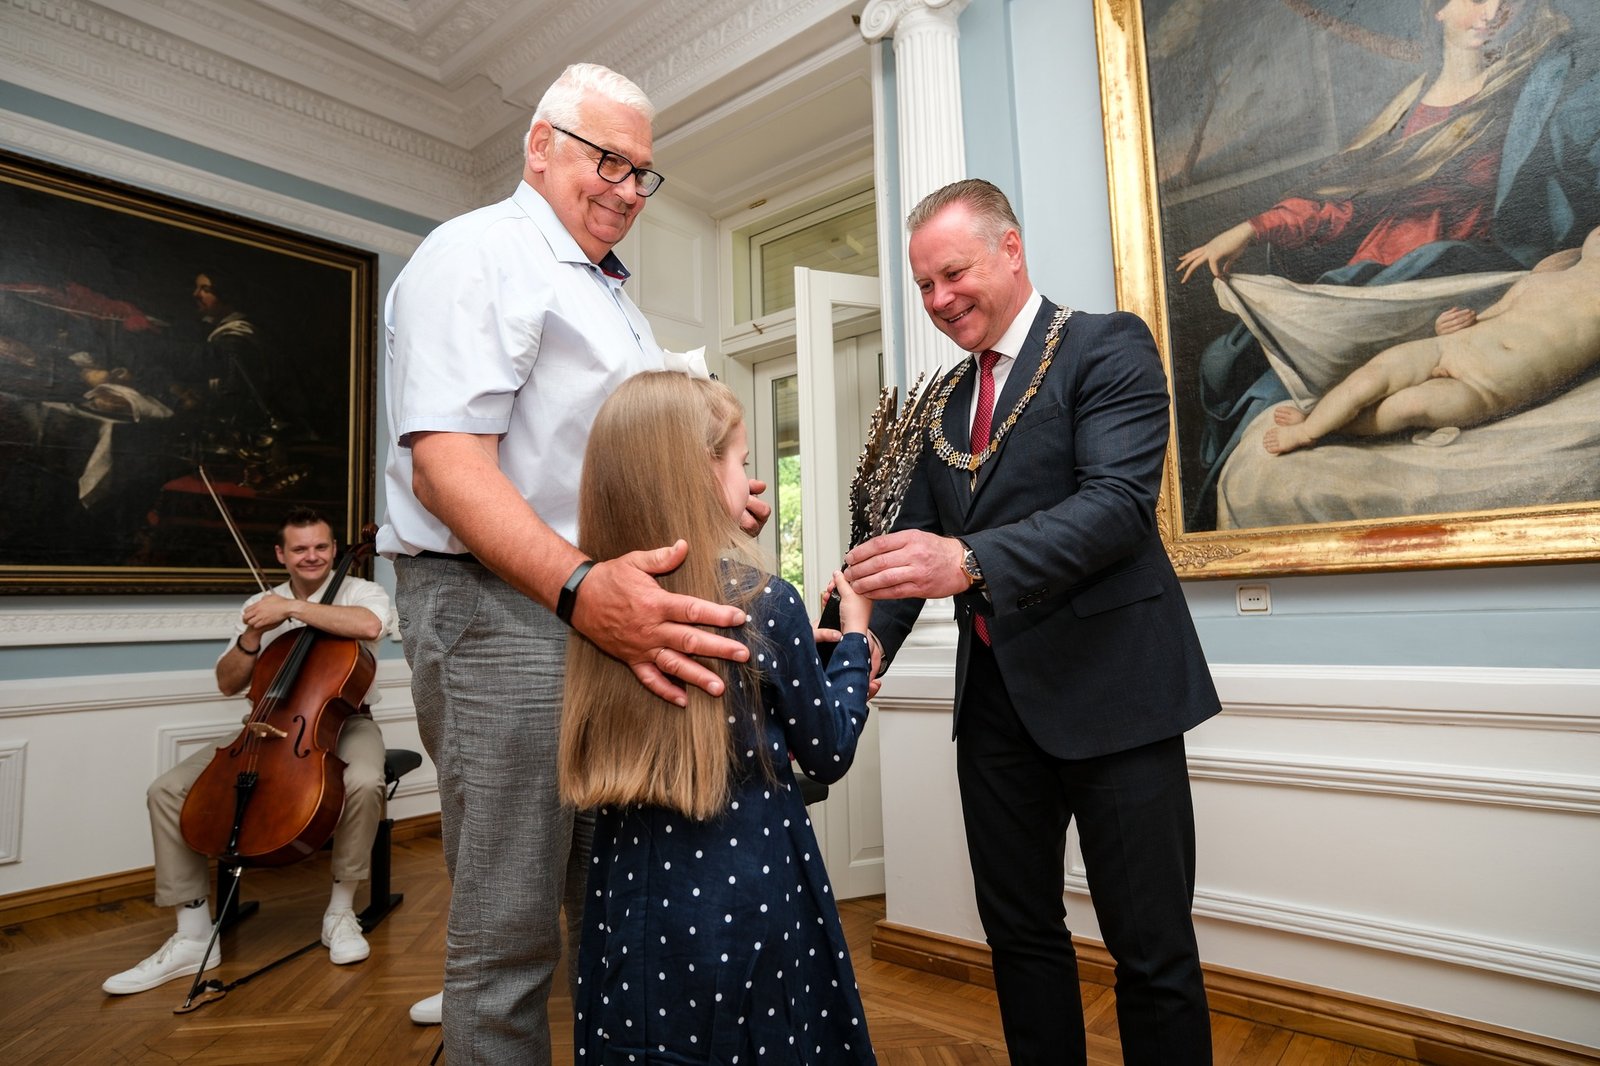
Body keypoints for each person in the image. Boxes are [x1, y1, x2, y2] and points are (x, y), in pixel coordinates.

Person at [378, 62, 769, 1062]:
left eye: (644, 173)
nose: (630, 190)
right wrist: (580, 585)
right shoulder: (478, 254)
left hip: (597, 611)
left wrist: (715, 496)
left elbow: (608, 461)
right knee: (508, 934)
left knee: (611, 909)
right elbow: (446, 468)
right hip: (500, 605)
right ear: (541, 147)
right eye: (610, 161)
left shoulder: (609, 296)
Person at [845, 179, 1221, 1066]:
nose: (940, 300)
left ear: (1010, 249)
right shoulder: (941, 403)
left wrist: (969, 561)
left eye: (954, 274)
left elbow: (1116, 507)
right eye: (925, 285)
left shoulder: (1106, 345)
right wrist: (859, 644)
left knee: (1152, 951)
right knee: (1019, 938)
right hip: (995, 710)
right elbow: (909, 554)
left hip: (1117, 696)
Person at [1175, 0, 1599, 527]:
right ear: (1437, 10)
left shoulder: (1537, 91)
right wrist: (1252, 227)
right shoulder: (1407, 103)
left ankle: (1326, 425)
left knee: (1353, 387)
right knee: (1240, 366)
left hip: (1449, 271)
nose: (1492, 14)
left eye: (1507, 2)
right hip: (1377, 270)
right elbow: (1348, 198)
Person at [561, 372, 876, 1062]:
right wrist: (853, 643)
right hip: (752, 890)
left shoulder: (601, 614)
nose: (751, 481)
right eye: (741, 461)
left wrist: (800, 654)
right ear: (702, 472)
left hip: (632, 895)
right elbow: (827, 752)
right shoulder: (766, 603)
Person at [102, 507, 389, 995]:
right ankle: (193, 933)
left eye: (321, 546)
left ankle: (341, 912)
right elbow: (227, 682)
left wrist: (292, 610)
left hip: (345, 722)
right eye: (300, 548)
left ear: (334, 549)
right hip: (265, 727)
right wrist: (252, 636)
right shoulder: (260, 603)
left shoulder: (362, 592)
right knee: (165, 791)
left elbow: (369, 627)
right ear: (281, 554)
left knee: (363, 781)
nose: (312, 556)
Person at [1265, 224, 1600, 454]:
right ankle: (1310, 427)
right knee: (1373, 376)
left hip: (1484, 390)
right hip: (1449, 349)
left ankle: (1326, 429)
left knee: (1409, 406)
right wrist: (1451, 326)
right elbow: (1490, 315)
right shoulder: (1541, 279)